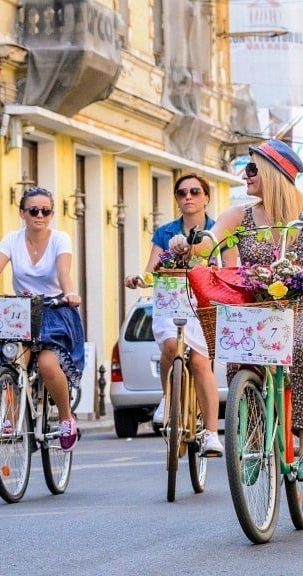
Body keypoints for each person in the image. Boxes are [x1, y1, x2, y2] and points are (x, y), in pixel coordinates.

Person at [169, 139, 303, 481]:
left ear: (274, 173)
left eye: (251, 169)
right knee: (239, 357)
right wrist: (186, 242)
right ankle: (250, 439)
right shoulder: (239, 215)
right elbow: (209, 242)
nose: (245, 176)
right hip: (257, 308)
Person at [0, 186, 84, 452]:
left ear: (51, 214)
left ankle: (65, 418)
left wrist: (71, 292)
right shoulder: (11, 240)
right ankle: (12, 416)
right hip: (21, 311)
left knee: (49, 364)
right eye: (33, 211)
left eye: (46, 211)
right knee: (13, 358)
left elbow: (64, 270)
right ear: (22, 213)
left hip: (55, 308)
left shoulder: (61, 239)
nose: (40, 215)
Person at [123, 173, 222, 457]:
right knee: (169, 346)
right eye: (181, 193)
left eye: (194, 191)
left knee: (202, 363)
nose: (188, 196)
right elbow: (152, 270)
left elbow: (230, 269)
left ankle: (212, 434)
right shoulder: (165, 231)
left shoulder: (218, 230)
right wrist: (137, 279)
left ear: (206, 197)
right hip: (171, 300)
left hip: (203, 304)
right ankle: (168, 400)